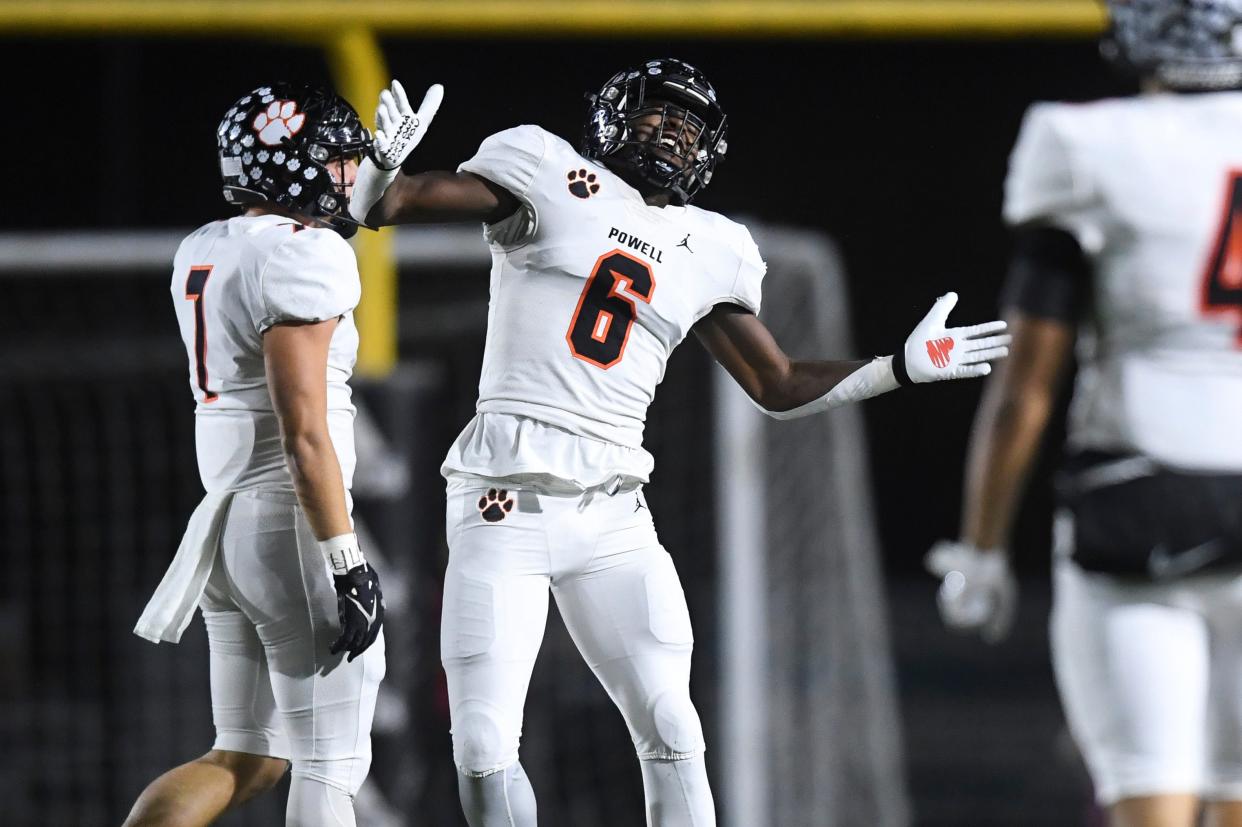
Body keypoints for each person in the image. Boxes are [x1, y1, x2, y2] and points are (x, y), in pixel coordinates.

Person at [348, 59, 1010, 827]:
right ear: (611, 116)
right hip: (505, 501)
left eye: (689, 127)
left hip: (616, 518)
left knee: (672, 725)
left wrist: (897, 367)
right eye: (658, 114)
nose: (672, 133)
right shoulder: (544, 165)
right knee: (485, 744)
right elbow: (389, 205)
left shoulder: (710, 246)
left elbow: (778, 380)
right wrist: (378, 169)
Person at [925, 2, 1242, 825]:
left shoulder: (1088, 144)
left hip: (1143, 499)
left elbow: (1027, 388)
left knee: (1152, 799)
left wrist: (982, 548)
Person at [124, 82, 386, 827]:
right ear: (294, 165)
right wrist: (345, 559)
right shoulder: (308, 257)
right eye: (335, 160)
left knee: (248, 755)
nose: (347, 177)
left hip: (225, 522)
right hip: (290, 524)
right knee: (331, 761)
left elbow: (275, 255)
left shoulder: (203, 247)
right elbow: (304, 430)